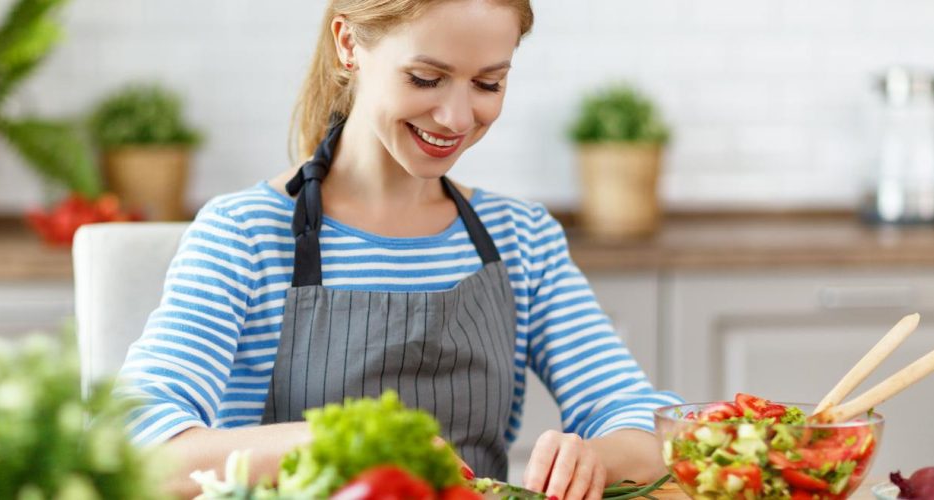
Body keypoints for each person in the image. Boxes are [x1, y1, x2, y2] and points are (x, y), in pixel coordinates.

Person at [116, 1, 683, 498]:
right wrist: (353, 444)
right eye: (426, 78)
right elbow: (136, 446)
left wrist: (594, 457)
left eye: (488, 84)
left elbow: (642, 422)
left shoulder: (521, 238)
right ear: (348, 45)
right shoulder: (246, 235)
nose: (458, 118)